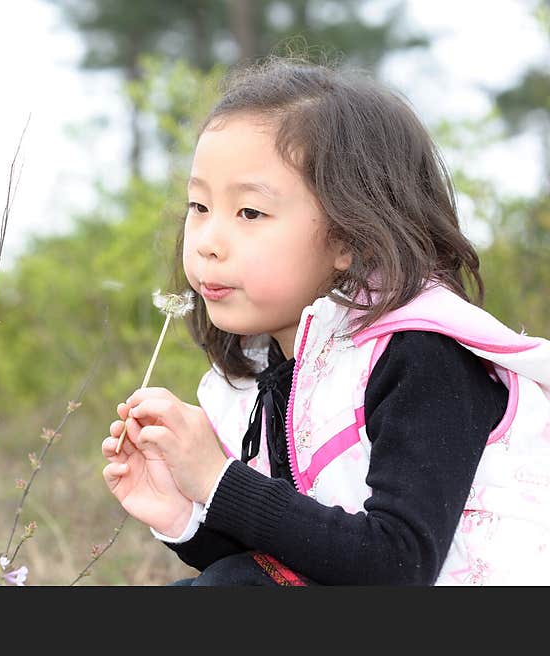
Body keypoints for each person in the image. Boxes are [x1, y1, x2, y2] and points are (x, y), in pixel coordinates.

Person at [100, 56, 550, 585]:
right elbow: (292, 554)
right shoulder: (273, 367)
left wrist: (220, 481)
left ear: (348, 235)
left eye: (249, 213)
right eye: (198, 206)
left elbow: (396, 566)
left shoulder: (424, 355)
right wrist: (182, 509)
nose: (206, 242)